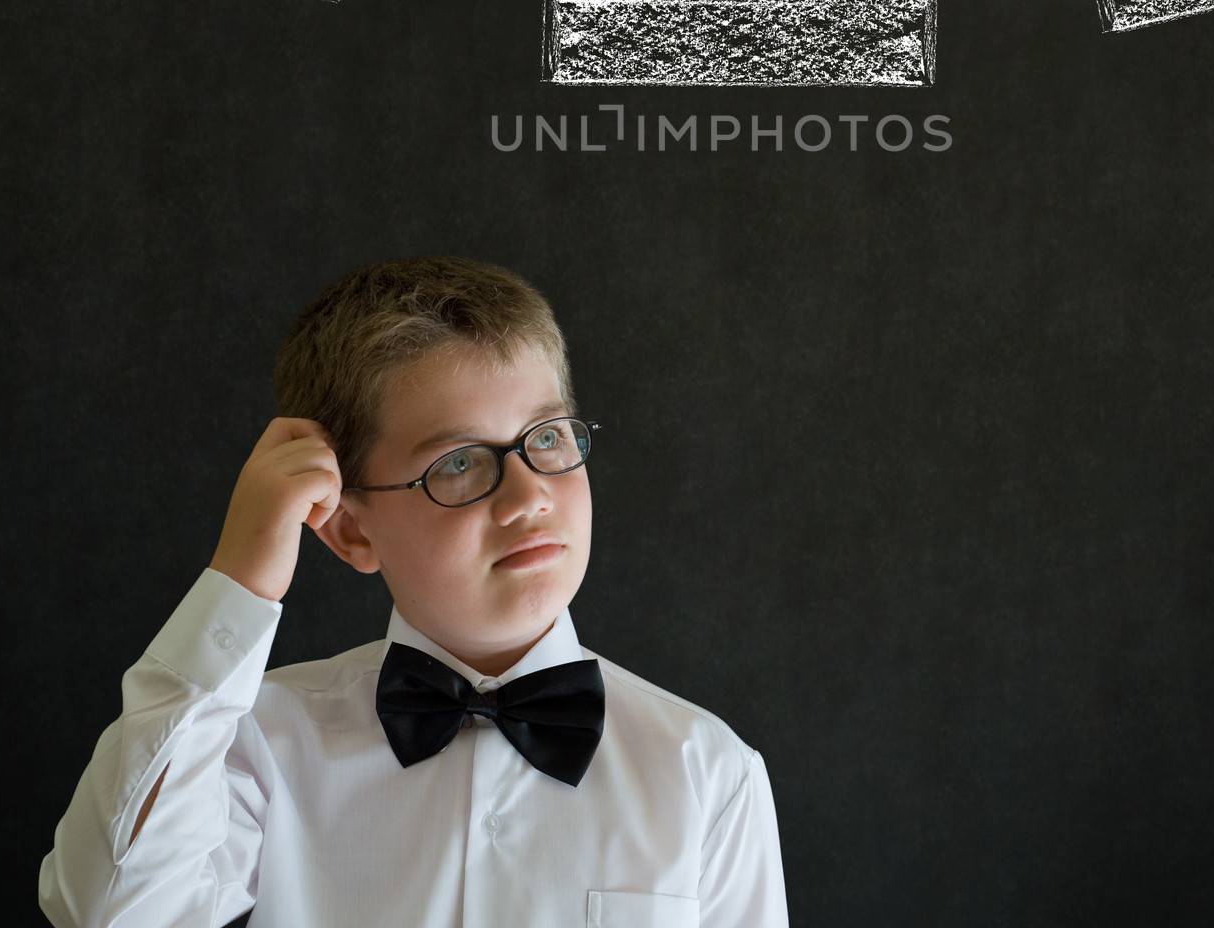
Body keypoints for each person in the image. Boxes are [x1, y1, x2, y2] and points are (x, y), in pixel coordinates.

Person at [39, 256, 788, 927]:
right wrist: (241, 581)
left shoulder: (707, 770)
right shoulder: (258, 744)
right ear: (351, 534)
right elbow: (113, 912)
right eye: (459, 462)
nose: (528, 497)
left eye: (549, 438)